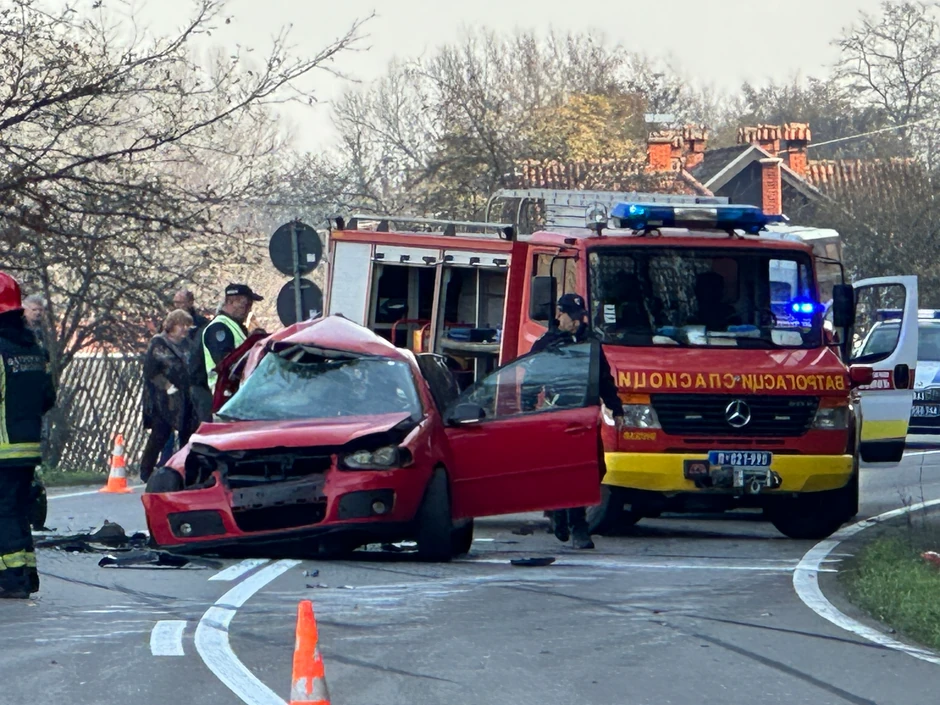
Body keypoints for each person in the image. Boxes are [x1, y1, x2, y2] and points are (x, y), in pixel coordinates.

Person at [531, 293, 625, 550]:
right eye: (569, 316)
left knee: (595, 470)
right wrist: (526, 409)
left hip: (585, 416)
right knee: (568, 472)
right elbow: (531, 379)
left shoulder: (590, 343)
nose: (574, 321)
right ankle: (575, 525)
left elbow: (604, 378)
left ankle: (563, 513)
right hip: (558, 415)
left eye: (577, 317)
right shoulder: (547, 343)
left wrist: (616, 408)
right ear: (559, 315)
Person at [0, 273, 56, 598]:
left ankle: (11, 580)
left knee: (4, 512)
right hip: (28, 447)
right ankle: (27, 574)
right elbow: (48, 398)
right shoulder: (34, 349)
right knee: (18, 510)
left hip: (2, 447)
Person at [140, 309, 195, 483]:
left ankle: (186, 471)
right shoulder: (159, 343)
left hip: (185, 396)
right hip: (163, 398)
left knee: (188, 434)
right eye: (181, 325)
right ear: (172, 325)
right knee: (160, 433)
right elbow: (151, 371)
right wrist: (167, 385)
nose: (185, 329)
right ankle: (146, 471)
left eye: (187, 325)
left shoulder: (188, 344)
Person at [201, 283, 264, 394]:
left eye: (249, 305)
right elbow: (226, 362)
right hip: (226, 392)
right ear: (230, 302)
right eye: (244, 304)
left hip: (238, 390)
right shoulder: (218, 327)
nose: (248, 310)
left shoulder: (235, 326)